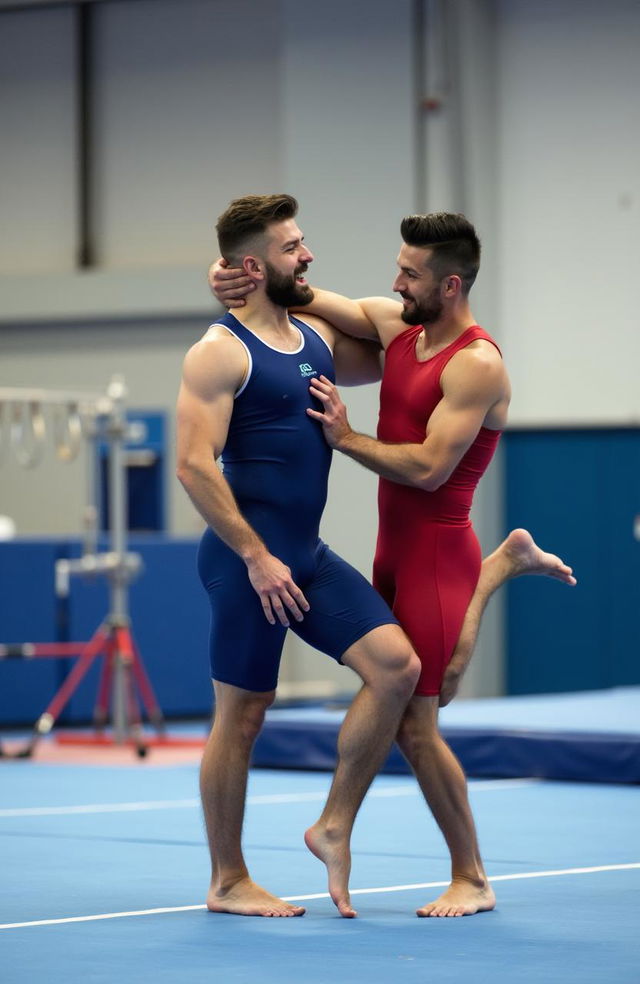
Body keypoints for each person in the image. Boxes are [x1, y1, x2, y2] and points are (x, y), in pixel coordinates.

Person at [210, 210, 576, 917]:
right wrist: (226, 274)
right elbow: (289, 295)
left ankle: (467, 874)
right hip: (391, 550)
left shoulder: (477, 362)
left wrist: (346, 437)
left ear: (451, 285)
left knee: (419, 720)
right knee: (408, 691)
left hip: (439, 548)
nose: (394, 282)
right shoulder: (396, 323)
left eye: (410, 273)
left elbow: (432, 469)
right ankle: (503, 566)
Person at [176, 194, 422, 920]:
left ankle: (332, 822)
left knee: (396, 667)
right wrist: (255, 557)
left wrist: (288, 287)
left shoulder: (312, 337)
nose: (307, 255)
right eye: (293, 248)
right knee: (243, 715)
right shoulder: (219, 352)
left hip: (306, 556)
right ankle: (227, 879)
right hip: (245, 562)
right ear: (255, 265)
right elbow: (194, 466)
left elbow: (395, 343)